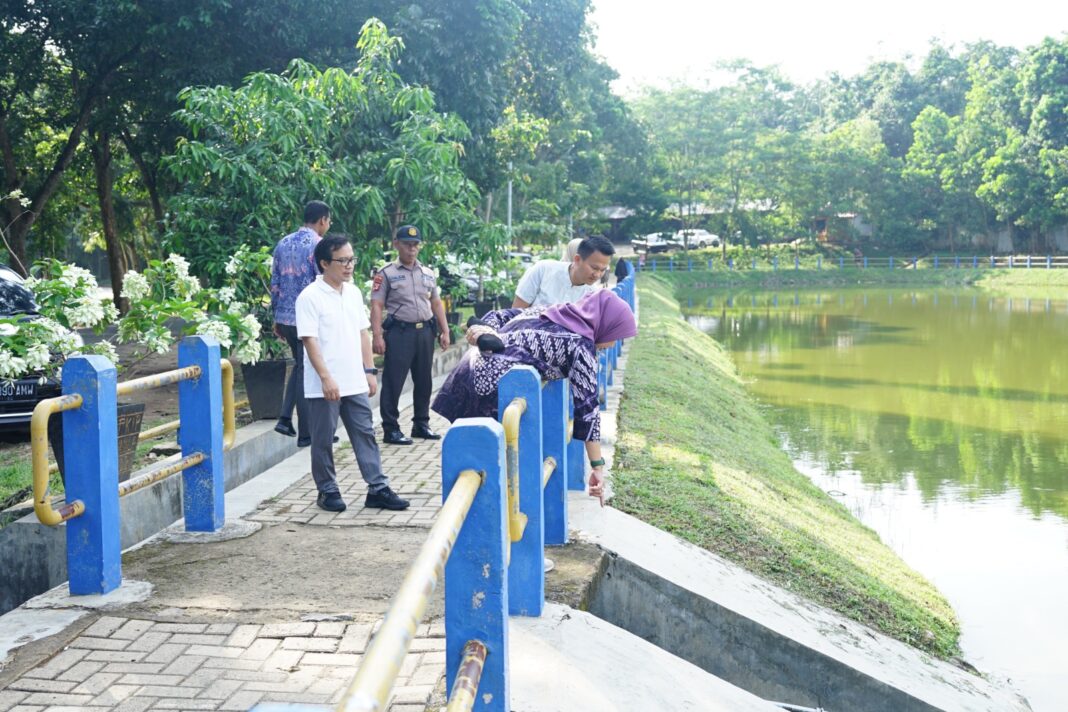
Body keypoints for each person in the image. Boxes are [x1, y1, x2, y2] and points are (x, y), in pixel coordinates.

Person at [431, 289, 637, 504]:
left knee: (475, 457)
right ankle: (483, 517)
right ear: (605, 324)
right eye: (615, 335)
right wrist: (597, 466)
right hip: (490, 390)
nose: (613, 344)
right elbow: (588, 411)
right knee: (485, 461)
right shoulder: (581, 347)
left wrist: (482, 331)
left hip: (467, 370)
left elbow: (498, 315)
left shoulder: (555, 311)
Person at [295, 234, 410, 513]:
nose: (349, 266)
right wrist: (325, 378)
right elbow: (309, 341)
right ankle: (328, 490)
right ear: (324, 263)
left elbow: (363, 333)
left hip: (354, 379)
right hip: (325, 384)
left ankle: (378, 488)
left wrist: (369, 371)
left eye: (351, 260)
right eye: (342, 260)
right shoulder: (309, 297)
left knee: (365, 433)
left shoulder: (354, 292)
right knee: (323, 439)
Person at [370, 225, 451, 445]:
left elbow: (435, 302)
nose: (412, 249)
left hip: (424, 332)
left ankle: (421, 424)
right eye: (407, 244)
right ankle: (391, 428)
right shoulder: (386, 273)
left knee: (424, 381)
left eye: (415, 245)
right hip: (400, 333)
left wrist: (445, 330)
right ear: (397, 244)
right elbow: (376, 304)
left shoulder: (427, 272)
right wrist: (377, 335)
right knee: (394, 381)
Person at [271, 200, 331, 447]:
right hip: (308, 317)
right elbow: (324, 283)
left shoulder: (283, 243)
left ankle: (286, 418)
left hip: (286, 317)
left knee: (300, 367)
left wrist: (276, 317)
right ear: (322, 221)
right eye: (328, 221)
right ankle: (307, 433)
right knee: (306, 371)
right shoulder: (319, 246)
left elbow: (275, 282)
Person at [512, 235, 615, 308]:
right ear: (577, 259)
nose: (597, 275)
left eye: (603, 270)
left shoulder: (593, 295)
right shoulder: (543, 270)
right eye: (594, 268)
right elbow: (516, 311)